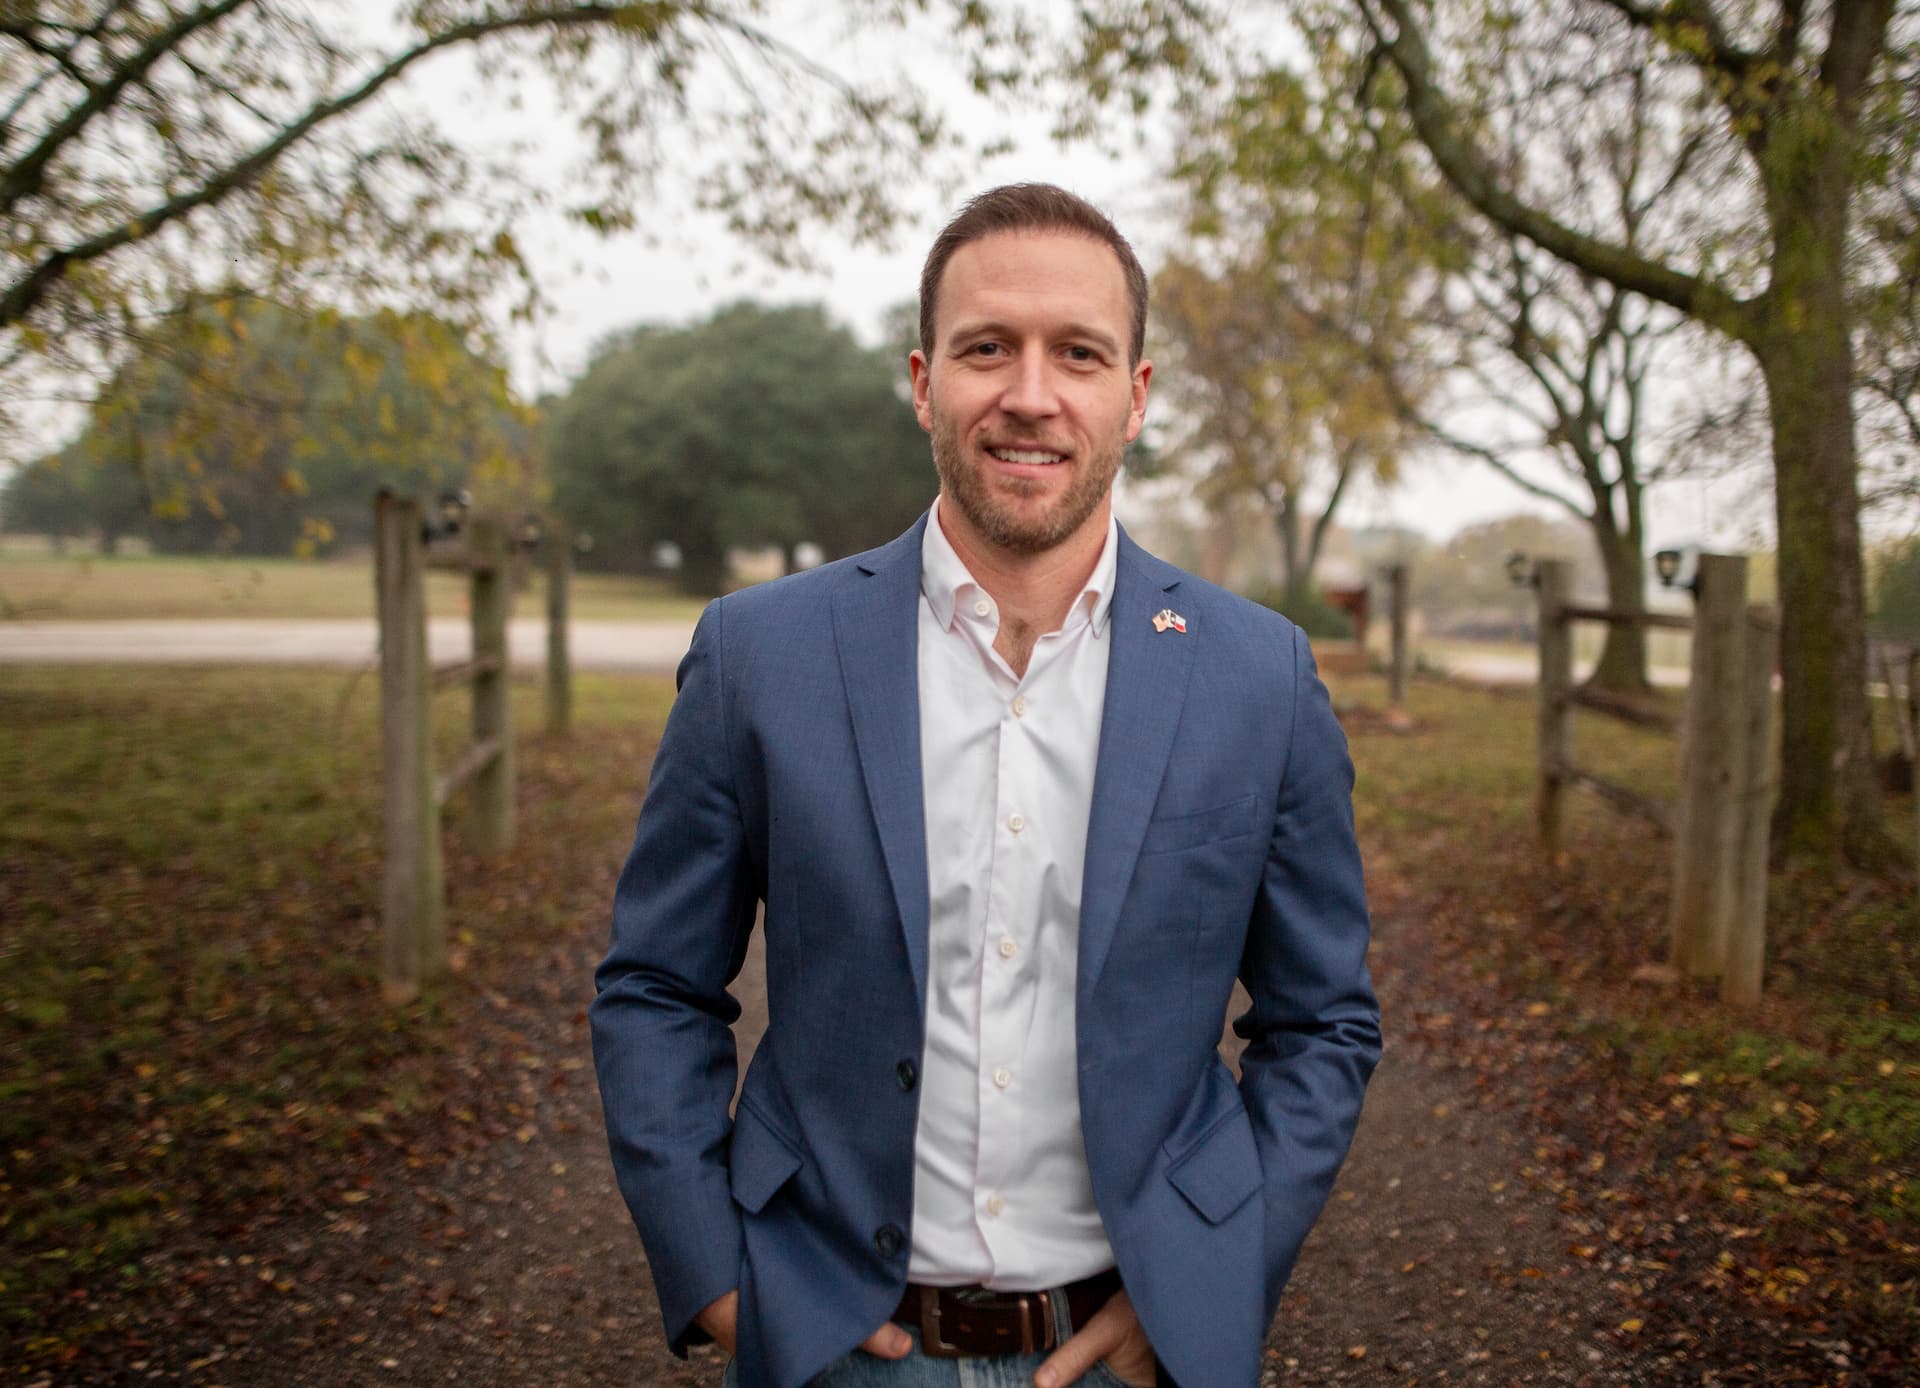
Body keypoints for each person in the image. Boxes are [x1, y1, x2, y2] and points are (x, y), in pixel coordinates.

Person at [591, 183, 1380, 1388]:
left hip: (1131, 1349)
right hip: (830, 1339)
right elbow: (655, 982)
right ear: (922, 382)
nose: (1030, 393)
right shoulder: (761, 655)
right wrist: (717, 1278)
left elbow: (1322, 1020)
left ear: (1137, 394)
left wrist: (1216, 1282)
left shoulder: (1257, 673)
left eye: (1078, 352)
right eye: (985, 349)